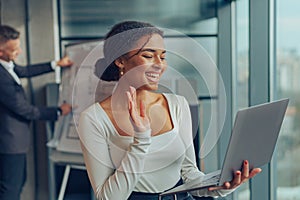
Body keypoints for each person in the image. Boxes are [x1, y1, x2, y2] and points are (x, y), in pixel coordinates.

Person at [77, 21, 261, 200]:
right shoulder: (94, 119)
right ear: (120, 60)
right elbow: (108, 198)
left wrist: (223, 186)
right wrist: (141, 139)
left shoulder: (177, 105)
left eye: (163, 57)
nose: (160, 65)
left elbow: (190, 177)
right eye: (149, 56)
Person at [0, 25, 73, 200]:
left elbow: (24, 71)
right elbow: (24, 109)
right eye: (14, 49)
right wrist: (57, 111)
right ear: (0, 51)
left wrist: (55, 64)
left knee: (17, 183)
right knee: (10, 189)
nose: (19, 51)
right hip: (9, 143)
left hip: (14, 142)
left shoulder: (6, 65)